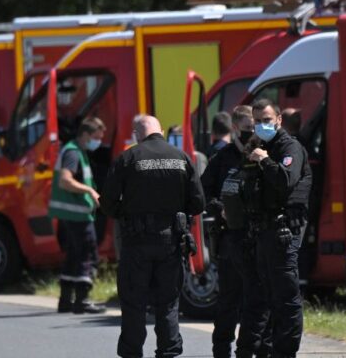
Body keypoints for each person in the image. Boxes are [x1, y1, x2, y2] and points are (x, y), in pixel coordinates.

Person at [101, 115, 205, 358]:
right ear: (159, 130)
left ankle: (132, 353)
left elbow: (107, 203)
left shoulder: (128, 157)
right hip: (171, 242)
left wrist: (125, 214)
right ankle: (168, 353)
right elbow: (198, 202)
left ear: (138, 133)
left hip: (136, 242)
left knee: (134, 304)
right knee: (168, 303)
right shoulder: (182, 158)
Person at [201, 106, 271, 358]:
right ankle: (221, 351)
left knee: (260, 301)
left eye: (254, 128)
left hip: (259, 237)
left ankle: (259, 350)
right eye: (246, 129)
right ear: (234, 128)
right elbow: (202, 192)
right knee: (228, 301)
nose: (251, 133)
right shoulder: (222, 158)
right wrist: (219, 208)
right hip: (231, 238)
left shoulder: (265, 154)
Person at [248, 98, 312, 358]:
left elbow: (285, 182)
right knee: (269, 296)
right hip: (266, 232)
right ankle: (270, 350)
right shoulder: (264, 146)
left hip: (285, 231)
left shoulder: (289, 148)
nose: (262, 125)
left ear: (278, 120)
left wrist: (264, 161)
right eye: (258, 121)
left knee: (286, 298)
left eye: (266, 120)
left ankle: (285, 352)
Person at [48, 116, 108, 314]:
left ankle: (65, 301)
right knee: (87, 253)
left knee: (73, 255)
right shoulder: (73, 153)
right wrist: (90, 191)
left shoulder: (76, 150)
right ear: (86, 134)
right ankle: (82, 300)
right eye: (97, 137)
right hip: (77, 215)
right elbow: (65, 181)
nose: (98, 142)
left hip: (72, 214)